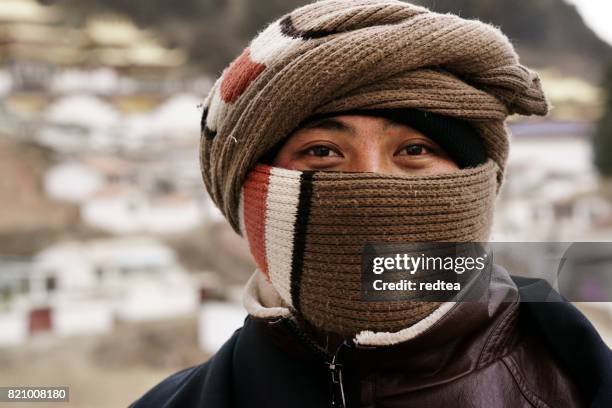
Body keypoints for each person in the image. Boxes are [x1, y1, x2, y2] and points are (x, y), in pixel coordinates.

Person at [130, 1, 612, 407]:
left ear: (478, 182)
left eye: (416, 150)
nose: (373, 185)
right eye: (322, 152)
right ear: (246, 195)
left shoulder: (580, 383)